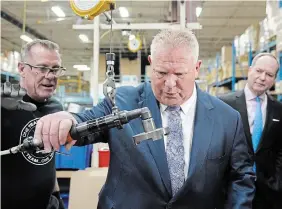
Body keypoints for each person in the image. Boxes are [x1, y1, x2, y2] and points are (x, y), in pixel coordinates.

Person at [34, 29, 256, 209]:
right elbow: (85, 122)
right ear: (151, 63)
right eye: (161, 73)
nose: (170, 84)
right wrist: (67, 119)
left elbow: (241, 178)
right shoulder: (122, 102)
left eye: (179, 74)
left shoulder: (227, 118)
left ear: (196, 68)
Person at [1, 39, 67, 209]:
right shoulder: (4, 105)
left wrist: (57, 197)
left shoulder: (56, 108)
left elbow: (47, 161)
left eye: (55, 69)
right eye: (42, 68)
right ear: (22, 69)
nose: (50, 76)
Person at [219, 53, 282, 209]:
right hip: (230, 189)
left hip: (267, 192)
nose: (262, 77)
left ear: (274, 79)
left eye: (269, 74)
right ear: (249, 70)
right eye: (259, 71)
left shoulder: (278, 110)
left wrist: (277, 182)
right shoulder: (224, 104)